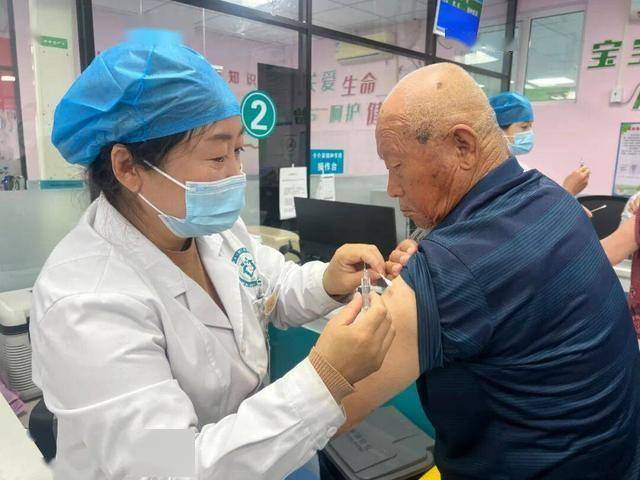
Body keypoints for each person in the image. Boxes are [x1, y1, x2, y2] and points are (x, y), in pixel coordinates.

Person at [29, 30, 396, 480]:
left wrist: (327, 281)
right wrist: (326, 377)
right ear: (127, 167)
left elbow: (270, 286)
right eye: (218, 157)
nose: (237, 173)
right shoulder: (84, 302)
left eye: (238, 150)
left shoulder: (206, 227)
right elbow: (167, 467)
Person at [343, 63, 640, 479]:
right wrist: (431, 264)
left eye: (396, 166)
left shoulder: (453, 269)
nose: (393, 188)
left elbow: (335, 403)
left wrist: (431, 274)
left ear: (463, 146)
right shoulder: (554, 199)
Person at [489, 91, 591, 196]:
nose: (530, 133)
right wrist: (568, 190)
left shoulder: (521, 168)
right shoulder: (491, 175)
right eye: (524, 127)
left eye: (530, 126)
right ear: (497, 129)